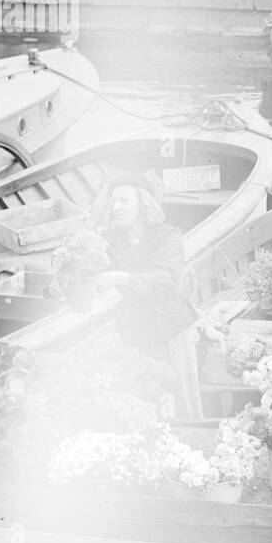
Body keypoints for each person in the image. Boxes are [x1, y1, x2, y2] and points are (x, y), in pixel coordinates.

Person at [95, 174, 201, 416]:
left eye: (123, 200)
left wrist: (121, 278)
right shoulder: (111, 240)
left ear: (142, 203)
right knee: (139, 399)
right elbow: (94, 272)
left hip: (169, 330)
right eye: (113, 202)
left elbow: (165, 280)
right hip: (132, 330)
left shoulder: (168, 236)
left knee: (181, 401)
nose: (116, 207)